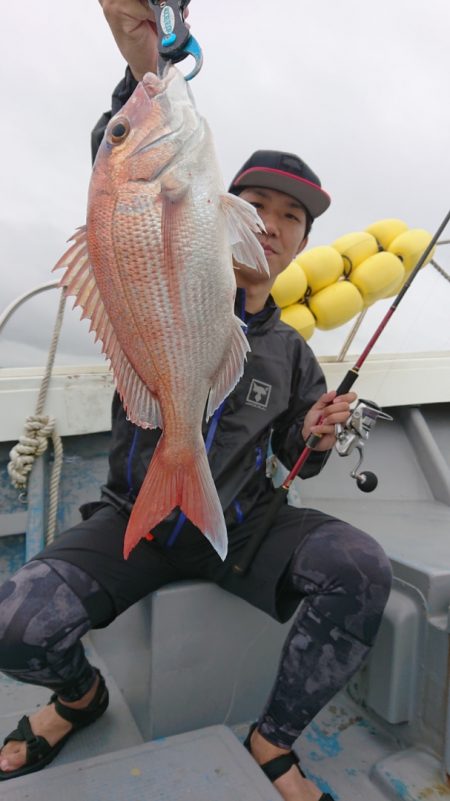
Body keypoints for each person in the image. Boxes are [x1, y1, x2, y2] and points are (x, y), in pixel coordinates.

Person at [0, 3, 392, 799]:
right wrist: (143, 59)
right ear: (219, 204)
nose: (275, 229)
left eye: (293, 220)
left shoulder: (290, 352)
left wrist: (312, 434)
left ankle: (272, 737)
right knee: (15, 623)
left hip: (243, 523)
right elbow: (121, 176)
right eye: (262, 207)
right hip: (135, 511)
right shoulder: (172, 234)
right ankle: (80, 696)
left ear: (304, 242)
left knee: (361, 568)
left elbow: (292, 462)